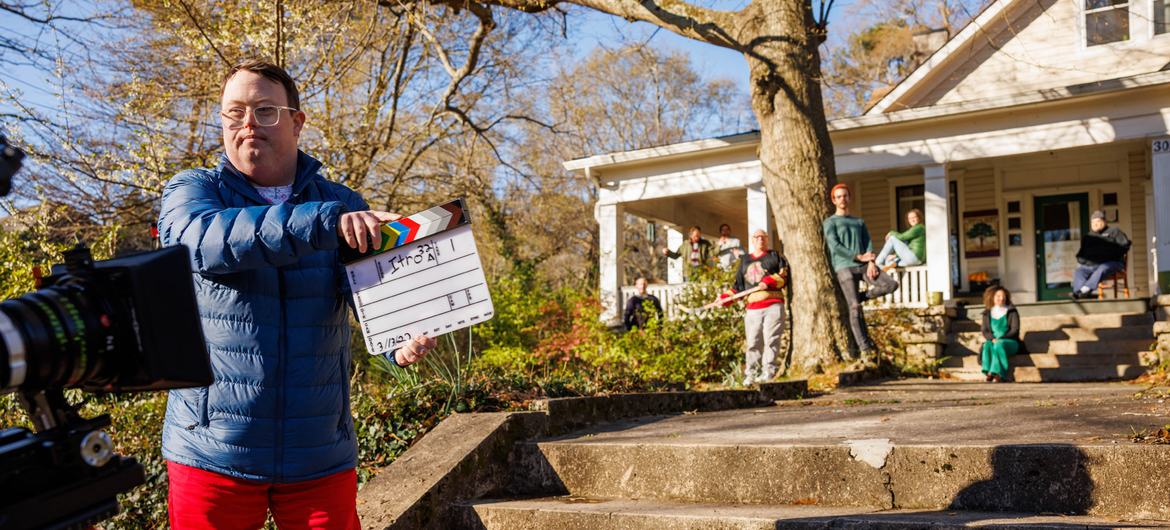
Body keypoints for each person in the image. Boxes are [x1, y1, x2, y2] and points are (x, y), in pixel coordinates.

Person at [157, 60, 436, 530]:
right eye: (234, 112)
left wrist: (397, 344)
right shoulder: (194, 189)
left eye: (265, 111)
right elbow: (200, 243)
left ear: (297, 121)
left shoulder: (344, 203)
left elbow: (372, 302)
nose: (247, 123)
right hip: (212, 450)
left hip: (319, 454)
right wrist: (322, 223)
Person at [823, 183, 898, 362]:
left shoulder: (859, 222)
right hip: (844, 266)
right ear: (834, 200)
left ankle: (862, 296)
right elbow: (834, 246)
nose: (842, 199)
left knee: (891, 284)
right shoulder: (830, 222)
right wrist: (858, 256)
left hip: (864, 265)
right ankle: (865, 349)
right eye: (839, 196)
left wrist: (871, 261)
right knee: (854, 307)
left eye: (845, 196)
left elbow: (868, 243)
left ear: (849, 198)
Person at [722, 229, 788, 386]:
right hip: (752, 308)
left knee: (771, 339)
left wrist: (769, 282)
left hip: (773, 304)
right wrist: (725, 298)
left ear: (767, 240)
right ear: (752, 241)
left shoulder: (775, 256)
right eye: (757, 237)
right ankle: (751, 373)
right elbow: (738, 287)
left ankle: (768, 371)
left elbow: (784, 276)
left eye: (763, 237)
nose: (760, 239)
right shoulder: (745, 260)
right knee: (753, 342)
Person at [1071, 210, 1131, 299]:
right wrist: (1085, 261)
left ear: (1104, 222)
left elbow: (1125, 245)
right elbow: (1081, 254)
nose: (1095, 224)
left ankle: (1086, 289)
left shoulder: (1114, 231)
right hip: (1093, 265)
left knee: (1103, 267)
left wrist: (1109, 254)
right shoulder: (1088, 237)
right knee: (1079, 271)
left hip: (1112, 263)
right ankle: (1079, 293)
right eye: (1093, 222)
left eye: (1098, 221)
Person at [980, 286, 1020, 383]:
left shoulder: (1012, 311)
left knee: (999, 344)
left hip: (1010, 342)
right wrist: (992, 339)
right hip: (994, 341)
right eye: (998, 296)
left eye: (1003, 296)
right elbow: (985, 330)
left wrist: (1001, 339)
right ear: (992, 297)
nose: (1001, 298)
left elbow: (1015, 330)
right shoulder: (987, 313)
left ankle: (998, 373)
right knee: (987, 345)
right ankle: (989, 371)